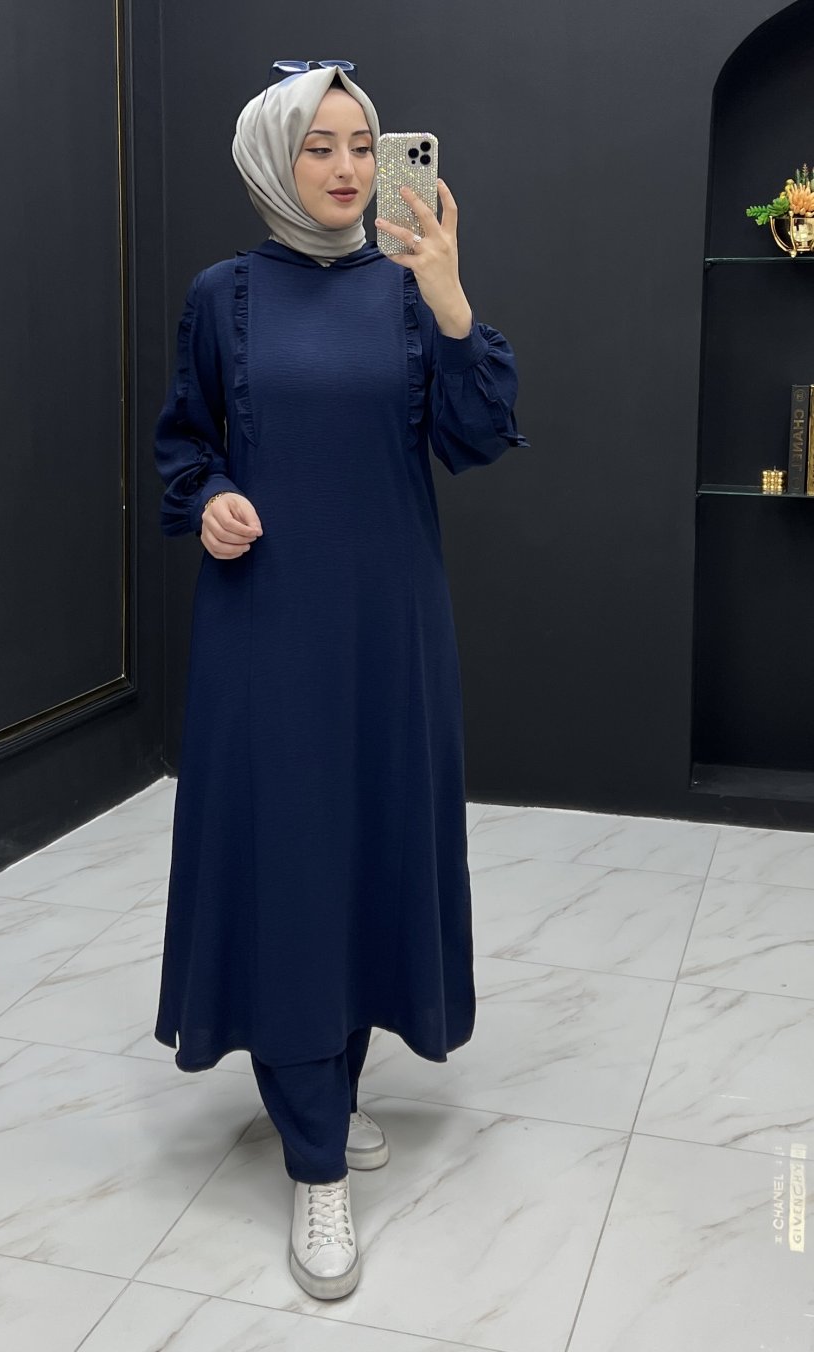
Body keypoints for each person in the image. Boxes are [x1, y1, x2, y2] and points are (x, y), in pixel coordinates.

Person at [153, 62, 527, 1302]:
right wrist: (212, 499)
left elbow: (479, 435)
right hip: (267, 625)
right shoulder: (222, 296)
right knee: (291, 858)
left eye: (362, 144)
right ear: (273, 157)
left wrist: (452, 299)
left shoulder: (409, 289)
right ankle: (314, 1155)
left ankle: (328, 1083)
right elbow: (183, 443)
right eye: (318, 145)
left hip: (388, 625)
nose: (348, 168)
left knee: (367, 848)